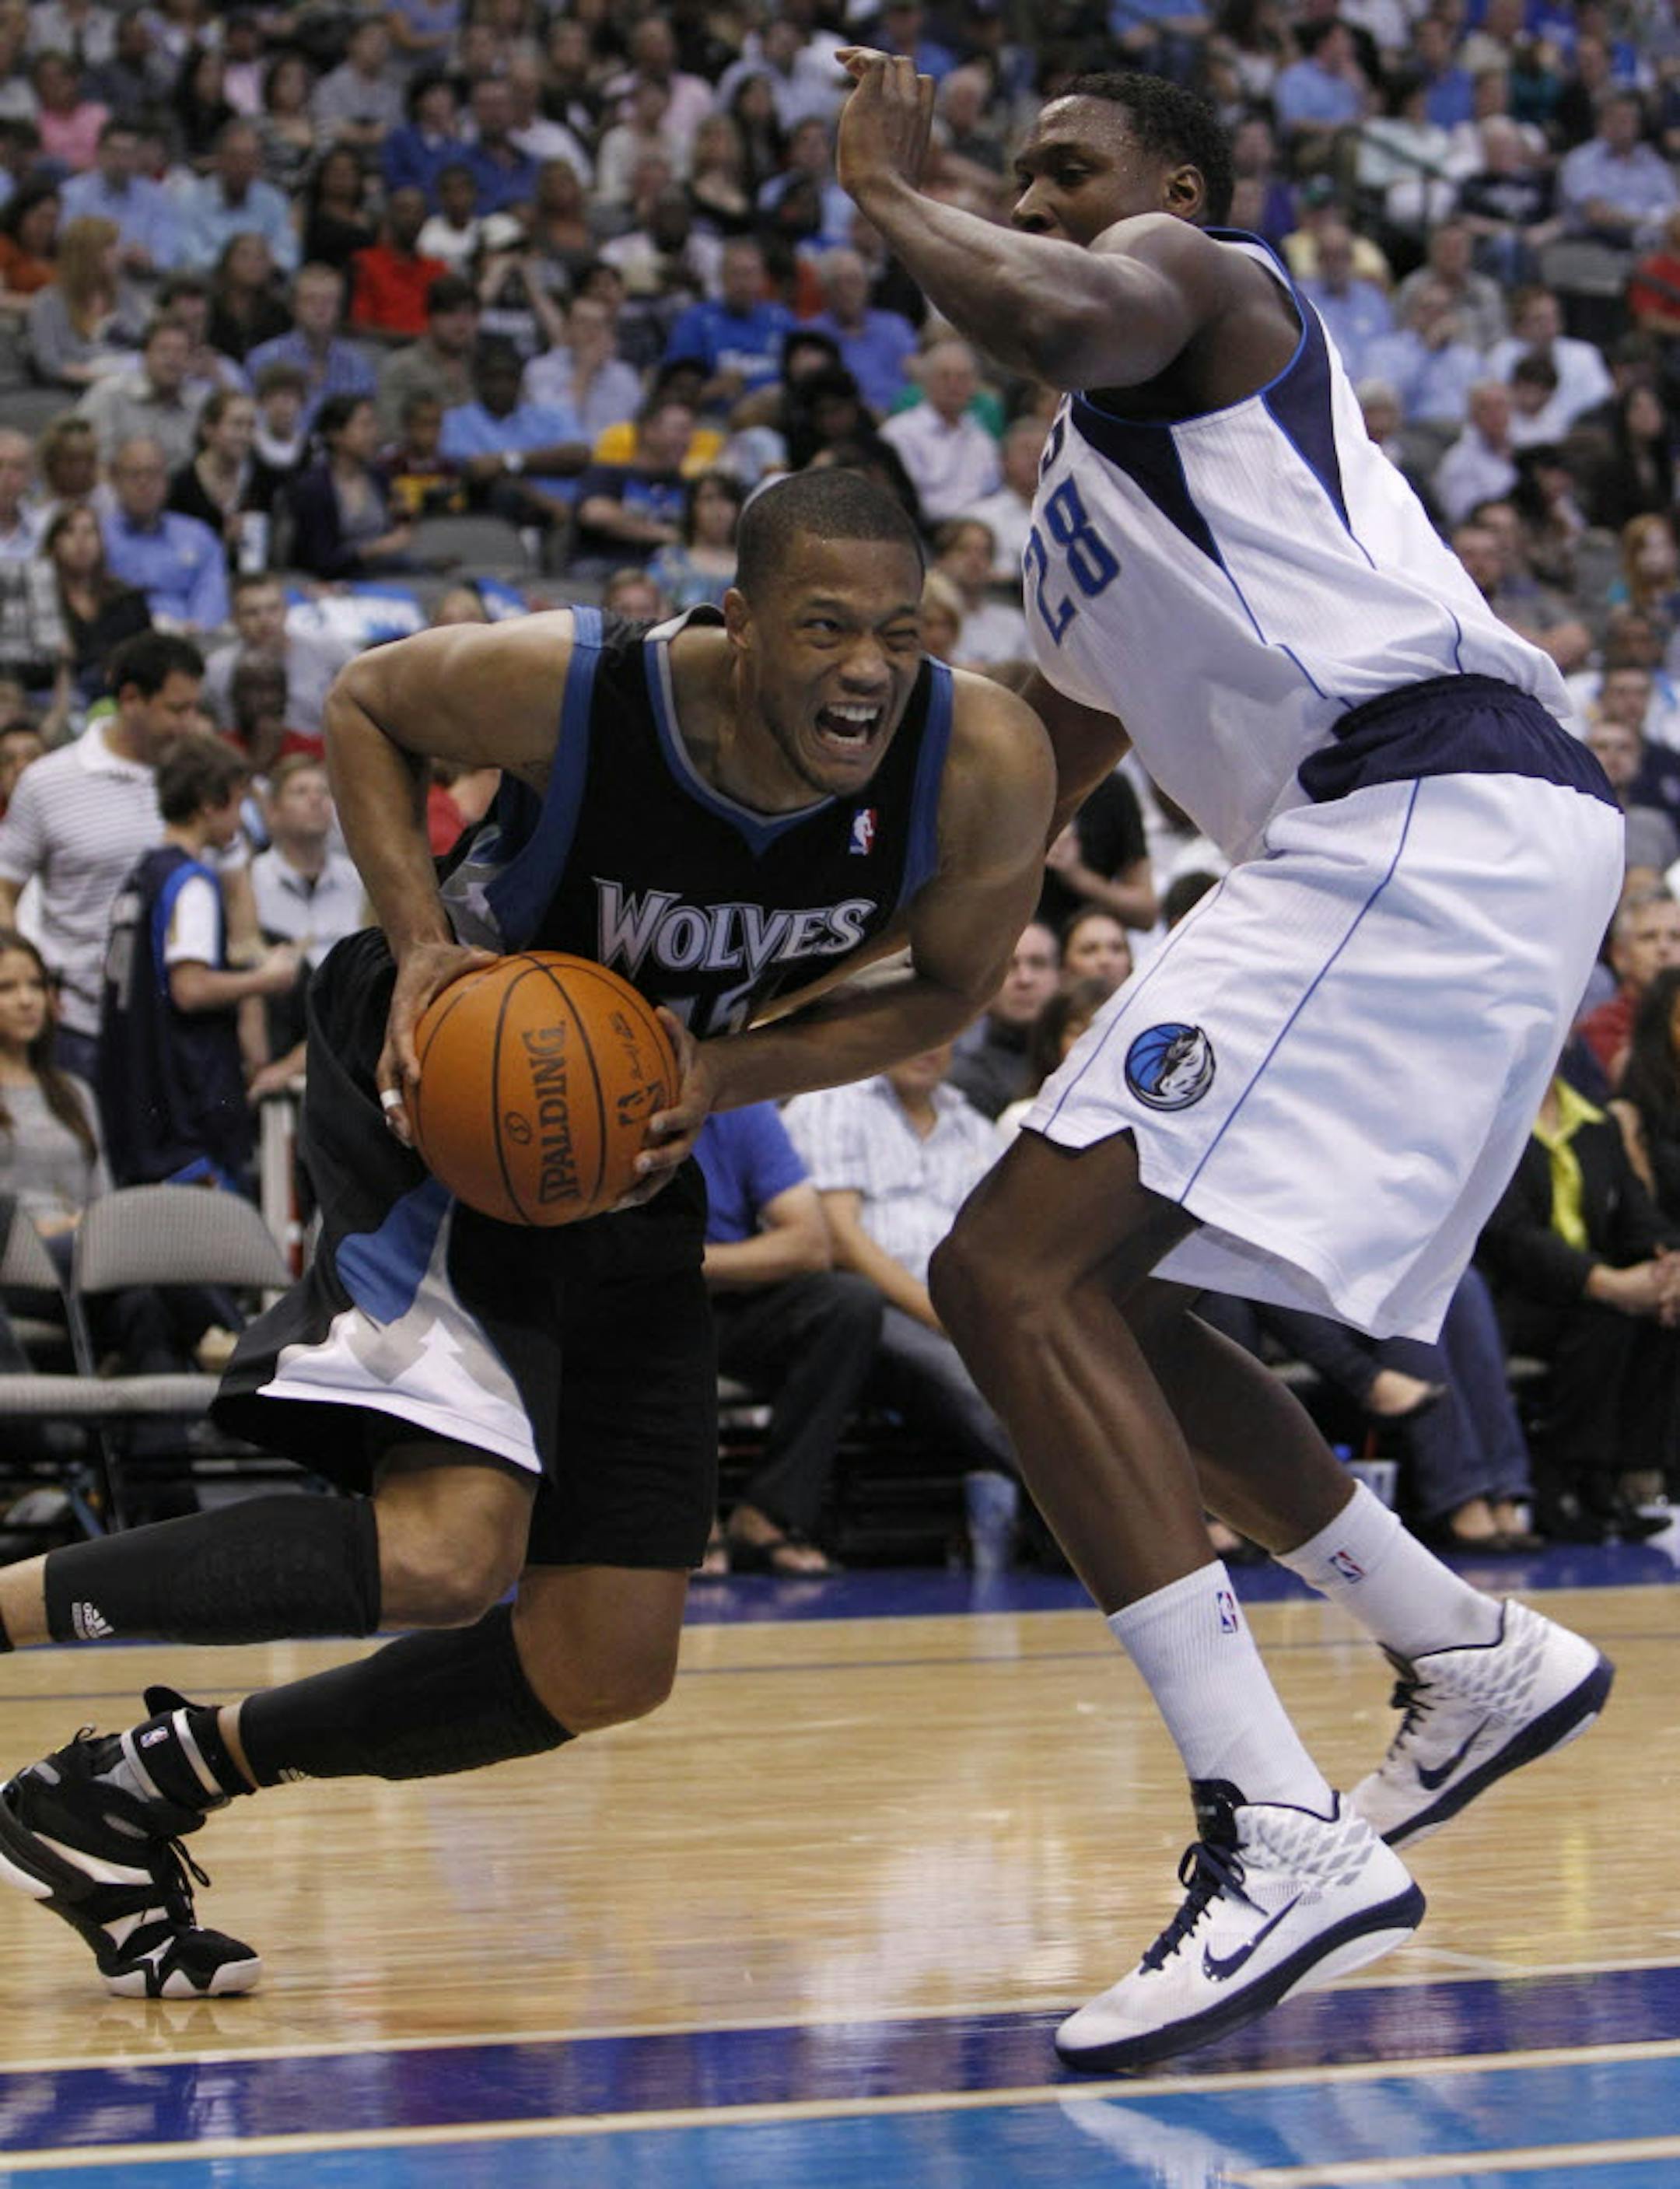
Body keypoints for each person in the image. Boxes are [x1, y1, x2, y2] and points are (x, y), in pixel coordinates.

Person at [0, 468, 1054, 2001]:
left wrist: (730, 1071)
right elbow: (363, 702)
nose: (868, 667)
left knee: (603, 1659)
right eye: (826, 626)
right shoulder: (583, 688)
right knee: (448, 1554)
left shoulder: (977, 759)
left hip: (638, 1132)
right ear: (740, 622)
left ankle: (138, 1787)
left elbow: (952, 990)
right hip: (460, 1085)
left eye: (898, 629)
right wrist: (424, 938)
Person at [836, 57, 1624, 2072]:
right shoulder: (1080, 520)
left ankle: (1276, 1828)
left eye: (1068, 165)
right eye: (1017, 172)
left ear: (1170, 183)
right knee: (1094, 1284)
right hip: (1394, 844)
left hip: (1422, 804)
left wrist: (893, 189)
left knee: (1009, 1271)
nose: (1039, 194)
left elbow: (1055, 306)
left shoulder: (1201, 285)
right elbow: (1020, 798)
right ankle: (1461, 1646)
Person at [783, 1043, 1025, 1548]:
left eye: (944, 1033)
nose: (930, 1047)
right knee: (980, 1382)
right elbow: (842, 1241)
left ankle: (1110, 1515)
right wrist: (945, 1317)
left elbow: (1007, 1248)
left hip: (971, 1311)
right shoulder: (833, 1102)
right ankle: (1101, 1524)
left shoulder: (972, 1126)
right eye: (919, 1032)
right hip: (877, 1307)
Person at [1477, 1073, 1679, 1540]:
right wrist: (1602, 1281)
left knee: (1661, 1318)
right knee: (1604, 1318)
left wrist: (1669, 1265)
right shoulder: (1491, 1118)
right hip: (1509, 1293)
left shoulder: (1595, 1121)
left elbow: (1637, 1213)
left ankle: (1632, 1478)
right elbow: (1511, 1235)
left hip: (1586, 1289)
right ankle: (1569, 1478)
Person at [96, 734, 300, 1192]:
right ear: (211, 803)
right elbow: (189, 988)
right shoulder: (191, 884)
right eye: (237, 802)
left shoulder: (140, 876)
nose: (241, 817)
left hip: (136, 1104)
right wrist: (265, 979)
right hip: (183, 1110)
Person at [0, 631, 203, 1083]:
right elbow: (4, 886)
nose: (191, 724)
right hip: (80, 1022)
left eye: (196, 708)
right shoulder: (47, 781)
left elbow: (235, 886)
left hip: (180, 1024)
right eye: (177, 709)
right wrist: (29, 977)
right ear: (131, 698)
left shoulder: (200, 775)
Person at [697, 1103, 882, 1576]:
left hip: (727, 1293)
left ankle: (770, 1512)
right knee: (649, 1304)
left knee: (848, 1304)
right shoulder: (605, 1108)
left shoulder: (739, 1107)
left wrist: (688, 1263)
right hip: (644, 1304)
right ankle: (688, 1515)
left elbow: (809, 1243)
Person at [200, 573, 354, 745]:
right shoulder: (216, 669)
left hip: (319, 759)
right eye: (252, 613)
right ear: (234, 619)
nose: (265, 621)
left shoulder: (330, 651)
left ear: (287, 610)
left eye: (273, 609)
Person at [101, 436, 228, 633]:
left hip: (188, 640)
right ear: (115, 481)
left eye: (152, 474)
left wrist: (199, 626)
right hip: (122, 641)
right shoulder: (98, 537)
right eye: (134, 475)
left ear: (166, 481)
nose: (144, 484)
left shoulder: (198, 535)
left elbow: (211, 592)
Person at [284, 395, 415, 581]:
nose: (374, 434)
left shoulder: (379, 477)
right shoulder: (314, 488)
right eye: (364, 426)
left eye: (374, 425)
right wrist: (374, 549)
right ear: (336, 435)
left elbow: (397, 528)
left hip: (385, 575)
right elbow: (319, 561)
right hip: (334, 584)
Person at [948, 917, 1060, 1119]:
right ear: (983, 983)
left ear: (1062, 975)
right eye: (1009, 966)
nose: (1025, 979)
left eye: (1038, 964)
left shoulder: (1084, 1064)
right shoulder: (963, 1081)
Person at [45, 501, 151, 703]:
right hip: (58, 694)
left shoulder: (128, 599)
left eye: (90, 532)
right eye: (69, 532)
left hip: (121, 693)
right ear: (54, 544)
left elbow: (146, 656)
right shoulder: (41, 602)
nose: (81, 541)